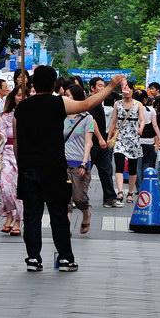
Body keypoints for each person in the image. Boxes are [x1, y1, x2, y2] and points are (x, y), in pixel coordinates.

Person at [14, 67, 121, 272]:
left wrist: (21, 165)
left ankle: (33, 259)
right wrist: (110, 86)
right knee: (58, 214)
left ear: (33, 84)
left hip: (28, 168)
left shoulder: (22, 107)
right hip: (53, 167)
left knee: (32, 215)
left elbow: (17, 141)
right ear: (55, 85)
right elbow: (87, 103)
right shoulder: (58, 103)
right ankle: (65, 258)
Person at [63, 84, 96, 234]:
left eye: (68, 95)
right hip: (62, 162)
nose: (65, 98)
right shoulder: (60, 115)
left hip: (79, 163)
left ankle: (86, 214)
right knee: (65, 198)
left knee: (79, 198)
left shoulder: (86, 118)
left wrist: (84, 162)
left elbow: (88, 142)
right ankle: (67, 226)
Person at [0, 84, 25, 235]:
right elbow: (0, 139)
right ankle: (10, 214)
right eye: (18, 95)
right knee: (5, 187)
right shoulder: (5, 116)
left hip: (24, 155)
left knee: (19, 188)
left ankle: (18, 219)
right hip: (7, 152)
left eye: (23, 95)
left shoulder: (31, 115)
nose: (20, 98)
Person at [107, 79, 144, 204]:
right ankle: (120, 191)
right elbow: (113, 121)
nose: (126, 90)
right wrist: (109, 138)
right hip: (120, 138)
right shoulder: (117, 104)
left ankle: (130, 192)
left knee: (133, 169)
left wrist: (141, 128)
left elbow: (143, 120)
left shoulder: (138, 104)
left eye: (128, 87)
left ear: (133, 90)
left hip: (134, 139)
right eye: (123, 87)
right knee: (119, 165)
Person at [87, 77, 120, 207]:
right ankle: (77, 197)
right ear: (92, 88)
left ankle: (110, 198)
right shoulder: (91, 102)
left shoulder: (99, 102)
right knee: (85, 173)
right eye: (99, 86)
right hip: (93, 143)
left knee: (107, 170)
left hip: (101, 143)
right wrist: (101, 139)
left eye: (103, 85)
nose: (102, 88)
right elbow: (92, 121)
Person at [134, 89, 160, 189]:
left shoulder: (132, 110)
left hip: (136, 141)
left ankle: (139, 187)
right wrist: (159, 137)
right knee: (146, 163)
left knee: (137, 165)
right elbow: (155, 125)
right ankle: (145, 187)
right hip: (149, 141)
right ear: (145, 100)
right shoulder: (151, 110)